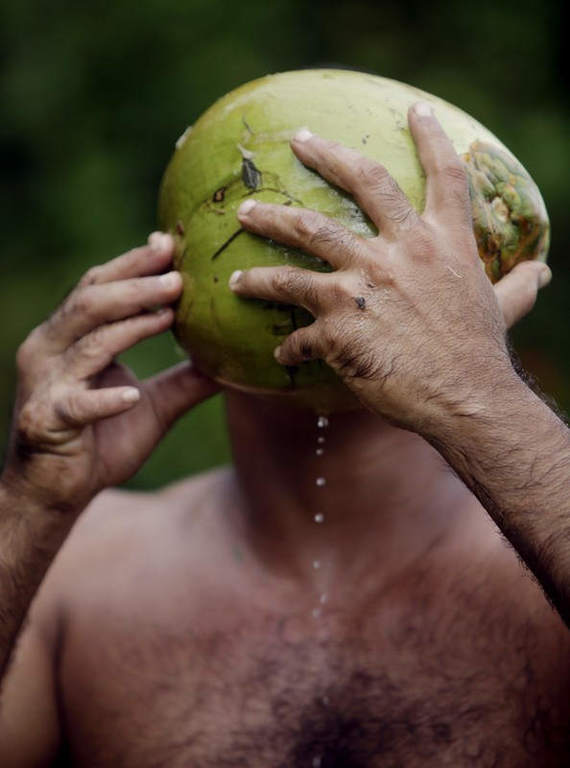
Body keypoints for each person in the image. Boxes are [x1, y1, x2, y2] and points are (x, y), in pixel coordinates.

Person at [0, 103, 568, 767]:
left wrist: (476, 391)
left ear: (473, 283)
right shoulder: (78, 569)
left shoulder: (542, 548)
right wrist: (31, 505)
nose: (329, 248)